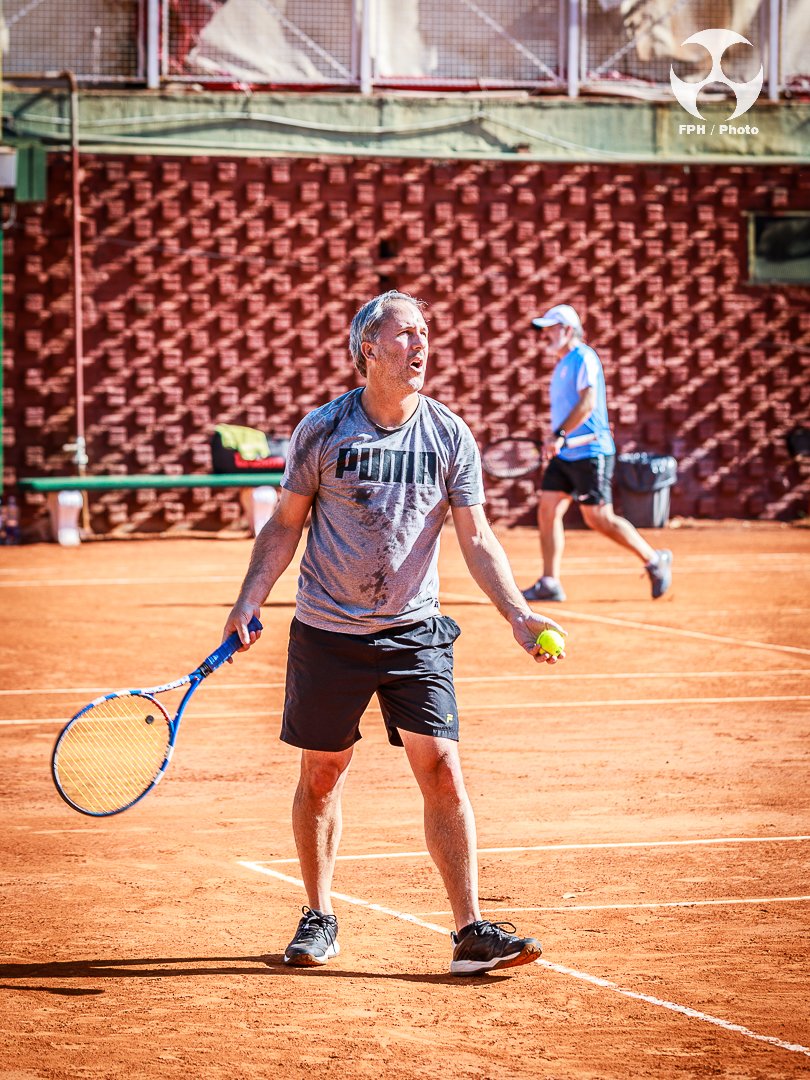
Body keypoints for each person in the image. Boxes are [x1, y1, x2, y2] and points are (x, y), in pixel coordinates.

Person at [224, 290, 566, 976]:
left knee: (441, 765)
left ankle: (470, 929)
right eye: (405, 334)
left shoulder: (448, 434)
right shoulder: (323, 431)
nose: (421, 345)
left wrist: (517, 613)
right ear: (367, 349)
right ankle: (319, 916)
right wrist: (249, 599)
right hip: (328, 630)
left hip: (416, 631)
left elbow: (475, 537)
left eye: (426, 333)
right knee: (322, 774)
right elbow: (286, 523)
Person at [521, 304, 673, 603]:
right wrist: (559, 439)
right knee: (547, 509)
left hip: (591, 451)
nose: (545, 336)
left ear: (567, 329)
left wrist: (560, 434)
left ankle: (654, 559)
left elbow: (589, 401)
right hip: (566, 454)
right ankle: (550, 581)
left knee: (598, 518)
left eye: (550, 329)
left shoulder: (584, 357)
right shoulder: (562, 363)